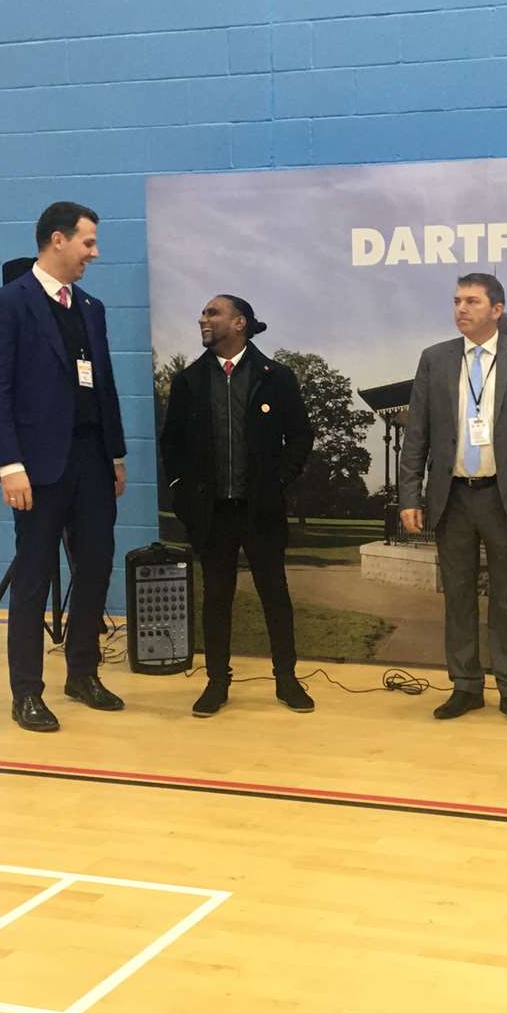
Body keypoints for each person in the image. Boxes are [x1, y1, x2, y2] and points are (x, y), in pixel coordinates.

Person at [0, 202, 127, 732]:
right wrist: (8, 465)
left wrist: (116, 454)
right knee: (35, 576)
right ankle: (27, 692)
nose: (95, 252)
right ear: (57, 240)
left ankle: (82, 673)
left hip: (90, 461)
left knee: (95, 566)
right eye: (88, 242)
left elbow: (103, 385)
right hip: (37, 467)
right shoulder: (8, 304)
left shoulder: (91, 306)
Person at [398, 274, 507, 727]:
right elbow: (417, 436)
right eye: (456, 301)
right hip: (452, 497)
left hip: (505, 497)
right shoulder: (435, 359)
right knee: (458, 597)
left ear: (497, 309)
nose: (460, 309)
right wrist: (409, 494)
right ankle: (465, 686)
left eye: (471, 301)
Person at [159, 295, 315, 718]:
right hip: (212, 513)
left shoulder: (276, 377)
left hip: (260, 508)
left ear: (239, 322)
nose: (202, 319)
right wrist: (181, 490)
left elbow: (301, 436)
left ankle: (287, 680)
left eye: (212, 313)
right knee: (216, 597)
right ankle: (216, 683)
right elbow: (170, 444)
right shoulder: (190, 380)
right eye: (203, 313)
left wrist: (278, 480)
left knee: (275, 595)